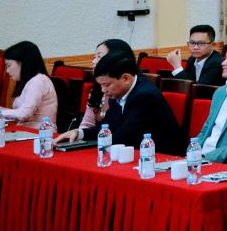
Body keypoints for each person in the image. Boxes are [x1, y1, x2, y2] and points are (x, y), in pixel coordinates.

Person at [57, 49, 188, 154]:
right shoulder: (119, 91)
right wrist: (79, 133)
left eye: (107, 85)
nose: (103, 90)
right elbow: (108, 127)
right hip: (133, 151)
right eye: (101, 85)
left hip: (162, 157)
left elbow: (124, 136)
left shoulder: (145, 96)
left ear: (126, 78)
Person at [0, 40, 58, 124]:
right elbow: (19, 112)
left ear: (23, 63)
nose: (7, 71)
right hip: (26, 130)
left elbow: (24, 113)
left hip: (41, 131)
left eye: (9, 65)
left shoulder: (39, 81)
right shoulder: (28, 81)